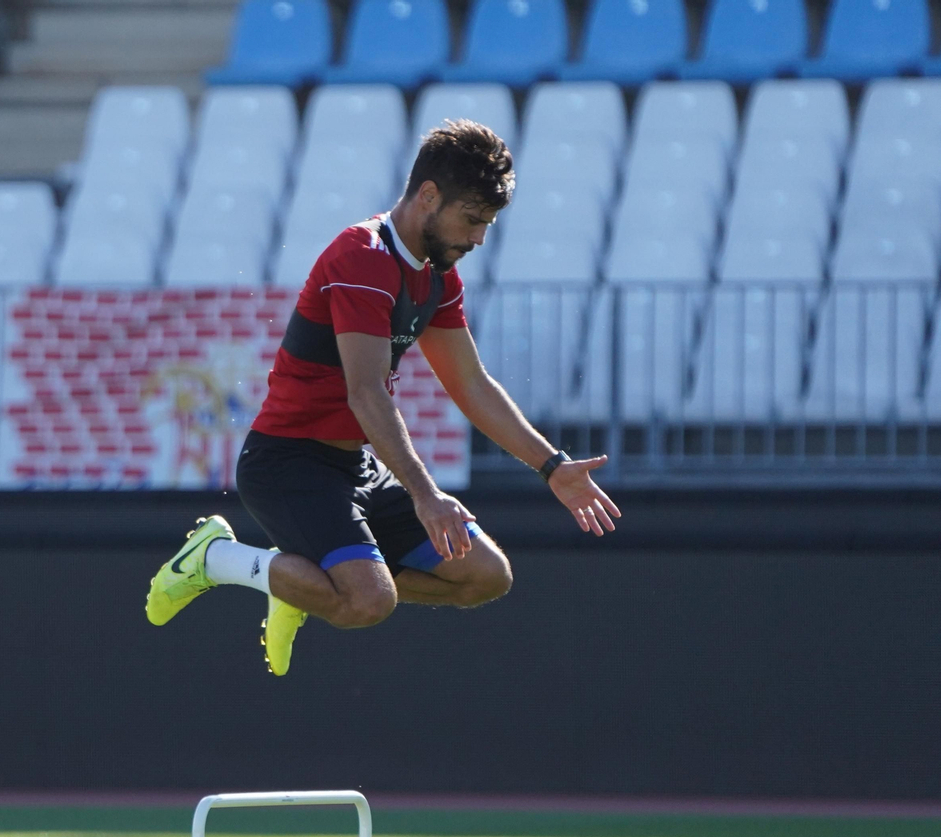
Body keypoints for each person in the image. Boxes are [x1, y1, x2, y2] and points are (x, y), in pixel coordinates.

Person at [143, 119, 621, 674]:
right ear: (428, 196)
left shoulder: (439, 277)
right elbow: (366, 393)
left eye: (487, 225)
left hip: (354, 467)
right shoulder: (363, 256)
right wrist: (426, 494)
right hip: (287, 463)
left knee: (485, 575)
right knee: (366, 603)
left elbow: (469, 384)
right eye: (472, 220)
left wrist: (552, 466)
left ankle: (298, 583)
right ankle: (215, 558)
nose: (479, 239)